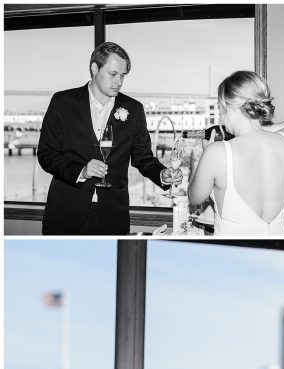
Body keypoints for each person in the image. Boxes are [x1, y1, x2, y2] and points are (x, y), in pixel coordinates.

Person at [37, 42, 180, 235]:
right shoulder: (62, 102)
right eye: (113, 74)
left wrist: (162, 174)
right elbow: (47, 155)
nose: (119, 82)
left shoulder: (134, 109)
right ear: (94, 68)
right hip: (65, 215)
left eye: (123, 76)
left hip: (112, 218)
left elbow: (143, 158)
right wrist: (81, 171)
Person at [188, 72, 284, 236]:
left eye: (220, 108)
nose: (220, 117)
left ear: (231, 107)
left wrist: (202, 157)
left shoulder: (216, 153)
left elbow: (194, 198)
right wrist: (262, 130)